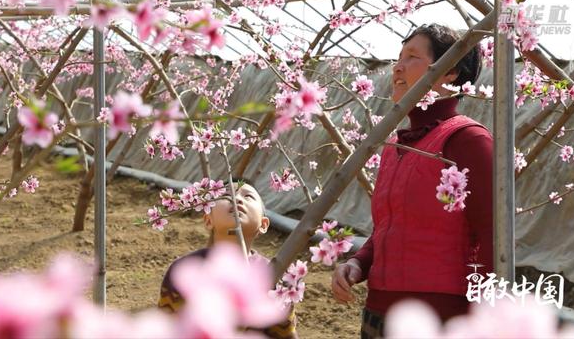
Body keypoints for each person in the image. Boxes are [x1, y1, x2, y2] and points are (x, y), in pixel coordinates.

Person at [331, 24, 494, 338]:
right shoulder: (396, 145)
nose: (398, 66)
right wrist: (358, 264)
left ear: (449, 72)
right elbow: (390, 228)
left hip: (437, 319)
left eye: (412, 57)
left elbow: (490, 236)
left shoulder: (467, 140)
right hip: (379, 314)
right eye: (398, 57)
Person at [158, 179, 298, 339]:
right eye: (225, 195)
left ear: (263, 224)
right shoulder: (185, 271)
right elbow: (168, 328)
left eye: (248, 197)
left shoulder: (272, 276)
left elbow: (285, 335)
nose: (236, 199)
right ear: (208, 220)